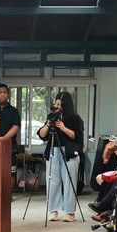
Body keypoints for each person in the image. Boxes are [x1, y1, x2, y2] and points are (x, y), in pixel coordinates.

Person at [39, 91, 84, 221]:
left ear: (66, 105)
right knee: (52, 180)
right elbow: (42, 135)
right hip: (54, 150)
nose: (57, 106)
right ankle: (53, 210)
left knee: (69, 181)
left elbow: (77, 136)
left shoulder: (75, 118)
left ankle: (70, 212)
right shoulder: (52, 117)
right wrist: (48, 123)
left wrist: (63, 128)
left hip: (69, 152)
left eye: (60, 104)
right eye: (56, 103)